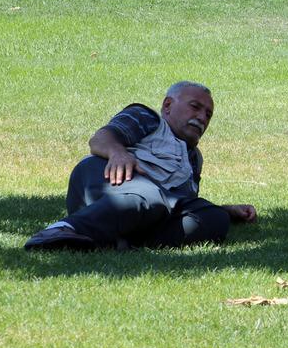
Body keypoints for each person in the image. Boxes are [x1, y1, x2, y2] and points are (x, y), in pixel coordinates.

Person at [24, 82, 257, 251]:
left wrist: (226, 210)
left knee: (215, 218)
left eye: (208, 114)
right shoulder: (147, 118)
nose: (202, 118)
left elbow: (180, 203)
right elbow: (100, 139)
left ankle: (119, 242)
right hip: (107, 178)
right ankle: (60, 229)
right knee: (150, 197)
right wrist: (118, 153)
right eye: (195, 107)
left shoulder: (194, 158)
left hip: (153, 203)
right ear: (167, 105)